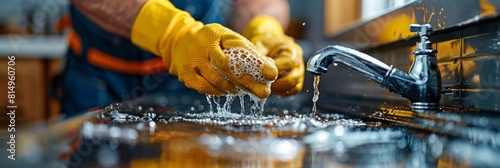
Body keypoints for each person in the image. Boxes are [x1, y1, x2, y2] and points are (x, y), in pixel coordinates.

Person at [61, 0, 304, 117]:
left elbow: (260, 3)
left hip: (200, 76)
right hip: (102, 77)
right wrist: (173, 35)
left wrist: (264, 29)